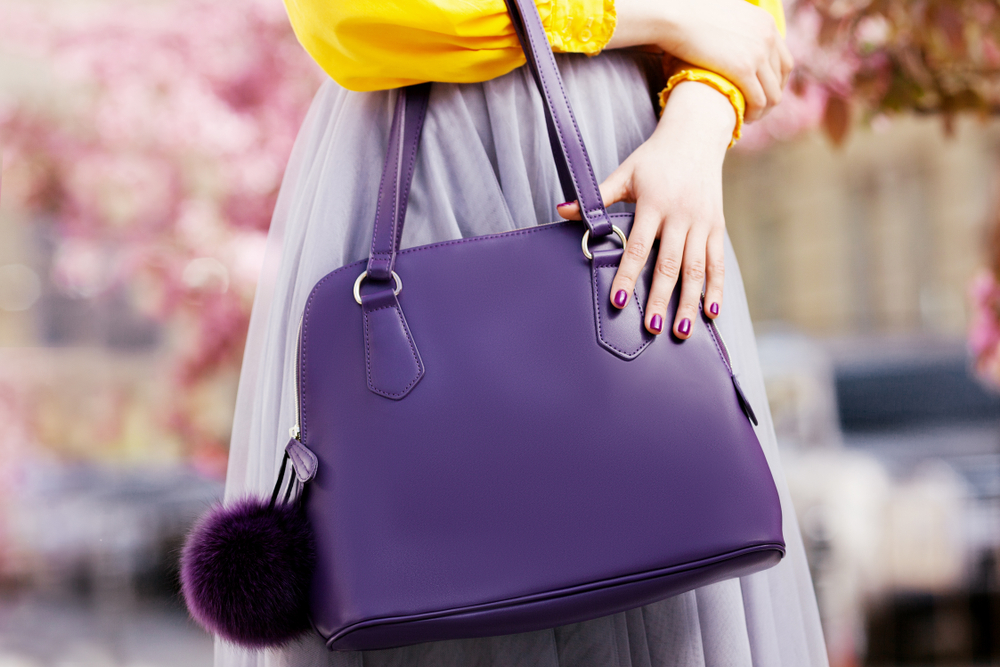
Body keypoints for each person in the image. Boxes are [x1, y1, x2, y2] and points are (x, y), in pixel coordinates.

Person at [221, 0, 830, 664]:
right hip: (441, 153)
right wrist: (668, 20)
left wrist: (702, 115)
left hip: (651, 171)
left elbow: (742, 25)